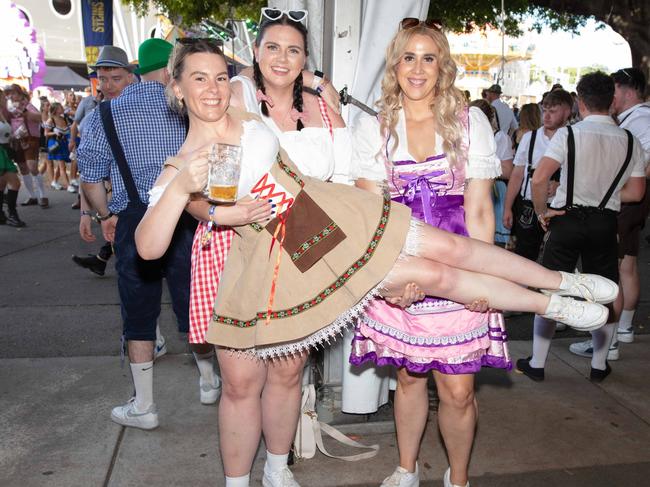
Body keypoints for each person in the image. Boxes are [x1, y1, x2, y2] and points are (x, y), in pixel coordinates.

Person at [136, 41, 617, 485]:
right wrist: (193, 197)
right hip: (299, 245)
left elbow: (268, 67)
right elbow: (148, 246)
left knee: (451, 251)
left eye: (220, 77)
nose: (213, 88)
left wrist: (320, 86)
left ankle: (565, 284)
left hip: (328, 208)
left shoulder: (244, 110)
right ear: (175, 88)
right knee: (438, 275)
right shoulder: (183, 162)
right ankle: (551, 306)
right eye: (198, 79)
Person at [347, 21, 508, 487]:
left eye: (429, 58)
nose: (418, 68)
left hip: (460, 266)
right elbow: (370, 216)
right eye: (409, 57)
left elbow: (479, 208)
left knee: (457, 390)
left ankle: (458, 479)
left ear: (444, 67)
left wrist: (485, 280)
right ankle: (406, 468)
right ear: (395, 64)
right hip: (401, 268)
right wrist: (390, 280)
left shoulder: (469, 121)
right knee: (410, 376)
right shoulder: (372, 128)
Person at [77, 41, 219, 432]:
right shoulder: (191, 110)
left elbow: (90, 176)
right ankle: (208, 381)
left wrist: (104, 214)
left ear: (139, 70)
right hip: (188, 218)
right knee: (195, 306)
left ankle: (144, 405)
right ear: (173, 71)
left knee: (138, 314)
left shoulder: (106, 113)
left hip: (136, 219)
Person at [516, 72, 646, 384]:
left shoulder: (568, 135)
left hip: (567, 218)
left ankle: (538, 362)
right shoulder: (630, 140)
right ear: (612, 102)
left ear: (580, 101)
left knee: (551, 289)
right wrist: (608, 195)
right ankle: (600, 365)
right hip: (605, 221)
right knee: (605, 292)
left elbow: (538, 178)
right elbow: (637, 193)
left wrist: (541, 211)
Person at [569, 67, 650, 360]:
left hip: (623, 200)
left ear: (626, 90)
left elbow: (642, 166)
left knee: (608, 273)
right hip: (626, 200)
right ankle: (622, 331)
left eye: (613, 90)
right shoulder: (634, 120)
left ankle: (607, 342)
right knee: (624, 266)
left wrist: (604, 189)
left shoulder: (640, 119)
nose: (610, 96)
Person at [503, 90, 573, 263]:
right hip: (529, 206)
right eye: (544, 111)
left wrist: (561, 185)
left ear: (567, 112)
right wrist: (507, 207)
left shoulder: (574, 138)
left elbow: (583, 175)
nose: (547, 116)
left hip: (560, 207)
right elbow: (517, 174)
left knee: (557, 258)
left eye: (553, 111)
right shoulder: (529, 138)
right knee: (524, 258)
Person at [469, 99, 513, 247]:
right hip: (469, 189)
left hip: (494, 189)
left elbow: (508, 171)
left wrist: (485, 167)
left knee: (489, 231)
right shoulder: (462, 135)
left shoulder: (500, 137)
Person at [4, 84, 49, 208]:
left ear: (20, 94)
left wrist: (23, 111)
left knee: (32, 167)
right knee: (23, 168)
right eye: (9, 94)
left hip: (30, 139)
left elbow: (39, 118)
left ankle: (42, 195)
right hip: (16, 140)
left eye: (13, 93)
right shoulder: (9, 108)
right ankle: (32, 196)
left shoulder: (27, 105)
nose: (11, 96)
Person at [0, 95, 25, 227]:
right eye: (3, 98)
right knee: (14, 183)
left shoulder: (3, 114)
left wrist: (15, 137)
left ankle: (4, 214)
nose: (5, 100)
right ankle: (12, 214)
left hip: (5, 150)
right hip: (0, 152)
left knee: (2, 184)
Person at [43, 102, 72, 190]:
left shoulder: (65, 119)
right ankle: (68, 185)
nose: (62, 108)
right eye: (60, 107)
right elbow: (46, 133)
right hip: (56, 144)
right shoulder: (51, 120)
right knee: (62, 166)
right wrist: (55, 133)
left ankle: (54, 181)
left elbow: (71, 130)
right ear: (55, 110)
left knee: (61, 166)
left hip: (64, 144)